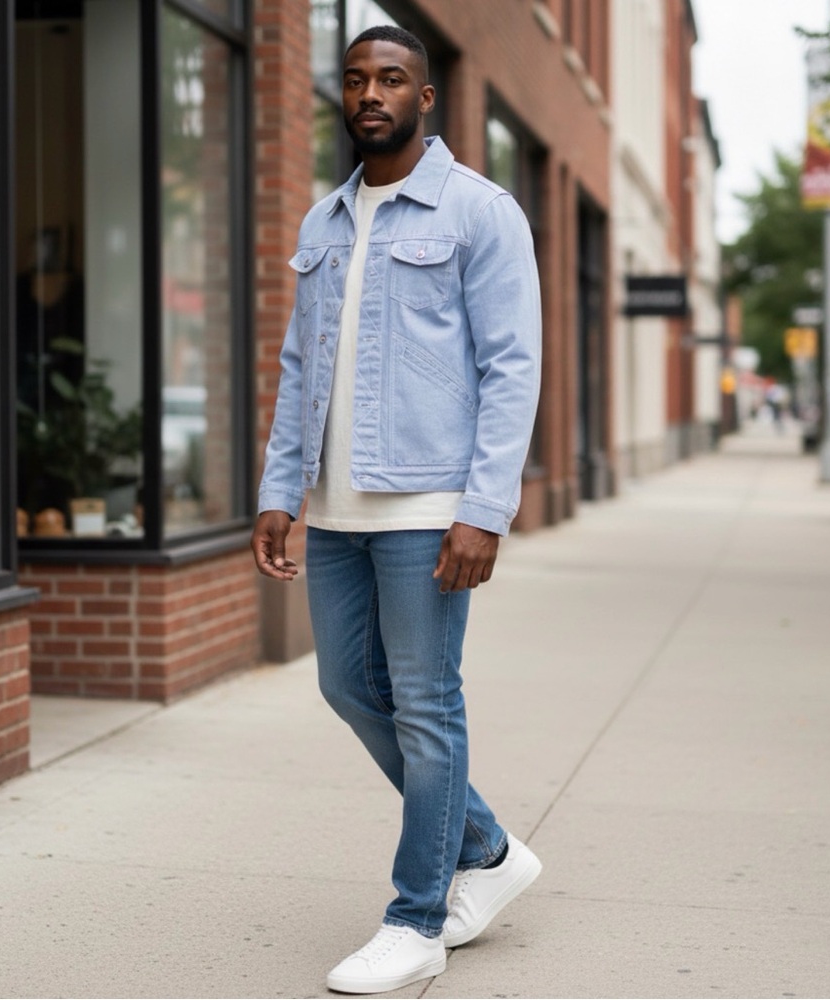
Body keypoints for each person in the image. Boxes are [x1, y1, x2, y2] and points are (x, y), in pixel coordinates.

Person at [251, 24, 543, 995]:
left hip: (427, 504)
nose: (370, 93)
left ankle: (416, 916)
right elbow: (298, 370)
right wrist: (277, 489)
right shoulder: (323, 222)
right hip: (334, 510)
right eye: (356, 79)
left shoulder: (477, 210)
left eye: (392, 79)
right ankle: (489, 847)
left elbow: (512, 368)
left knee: (426, 705)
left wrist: (484, 509)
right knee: (347, 687)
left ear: (425, 97)